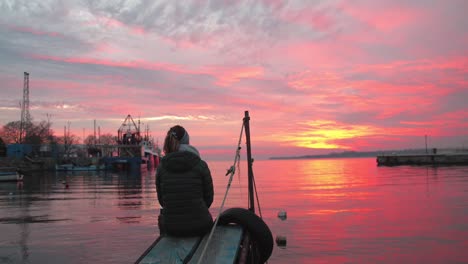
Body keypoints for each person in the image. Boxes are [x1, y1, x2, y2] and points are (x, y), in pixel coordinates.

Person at [156, 125, 214, 237]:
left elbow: (162, 201)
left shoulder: (161, 167)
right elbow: (209, 200)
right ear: (187, 142)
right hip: (201, 226)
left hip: (171, 228)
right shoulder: (201, 165)